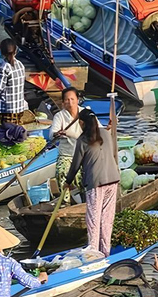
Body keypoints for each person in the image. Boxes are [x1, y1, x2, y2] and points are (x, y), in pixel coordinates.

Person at [65, 108, 120, 257]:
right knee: (107, 218)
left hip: (96, 183)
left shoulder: (83, 140)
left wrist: (68, 181)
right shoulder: (106, 134)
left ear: (82, 123)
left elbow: (75, 165)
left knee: (94, 219)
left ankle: (94, 253)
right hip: (113, 179)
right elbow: (114, 153)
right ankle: (105, 251)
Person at [50, 87, 85, 192]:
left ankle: (83, 202)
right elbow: (51, 135)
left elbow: (97, 129)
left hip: (83, 154)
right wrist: (58, 134)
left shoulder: (85, 113)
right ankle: (65, 202)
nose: (70, 102)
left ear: (77, 100)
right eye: (67, 100)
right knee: (62, 174)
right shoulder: (59, 116)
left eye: (72, 99)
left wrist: (108, 128)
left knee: (82, 181)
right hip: (66, 155)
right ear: (63, 102)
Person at [0, 38, 27, 124]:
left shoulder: (4, 68)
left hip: (7, 110)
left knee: (6, 133)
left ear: (1, 52)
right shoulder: (20, 65)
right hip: (19, 109)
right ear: (15, 50)